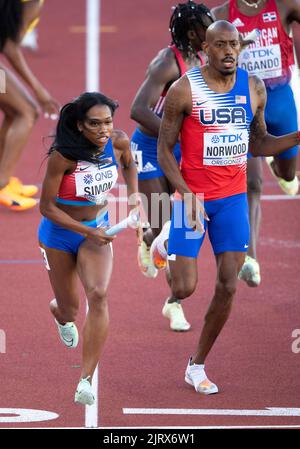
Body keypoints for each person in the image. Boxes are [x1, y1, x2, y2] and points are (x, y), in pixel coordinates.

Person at [155, 20, 300, 394]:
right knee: (184, 288)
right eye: (220, 45)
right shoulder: (184, 90)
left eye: (234, 45)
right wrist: (185, 194)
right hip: (192, 199)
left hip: (232, 201)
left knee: (228, 285)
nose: (229, 52)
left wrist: (298, 136)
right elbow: (164, 152)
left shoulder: (253, 88)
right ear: (206, 48)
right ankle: (165, 243)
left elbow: (259, 144)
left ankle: (197, 365)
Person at [38, 92, 139, 406]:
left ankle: (85, 379)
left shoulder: (118, 142)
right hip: (59, 234)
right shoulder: (64, 156)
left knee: (98, 294)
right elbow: (47, 208)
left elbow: (130, 166)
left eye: (108, 122)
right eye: (95, 124)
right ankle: (59, 313)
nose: (103, 130)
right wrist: (86, 230)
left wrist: (134, 197)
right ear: (80, 125)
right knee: (69, 308)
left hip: (97, 231)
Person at [130, 1, 214, 332]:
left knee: (175, 231)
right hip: (150, 147)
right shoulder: (167, 63)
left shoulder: (208, 55)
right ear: (191, 33)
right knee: (162, 224)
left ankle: (173, 303)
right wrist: (173, 132)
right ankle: (147, 236)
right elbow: (138, 109)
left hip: (181, 148)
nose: (212, 31)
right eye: (205, 28)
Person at [211, 0, 300, 287]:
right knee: (252, 183)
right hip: (243, 101)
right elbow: (204, 56)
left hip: (280, 98)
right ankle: (250, 256)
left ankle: (277, 162)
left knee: (289, 174)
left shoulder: (286, 5)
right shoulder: (222, 16)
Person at [0, 0, 59, 211]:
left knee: (16, 110)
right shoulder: (32, 2)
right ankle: (3, 184)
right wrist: (38, 89)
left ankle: (2, 176)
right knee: (27, 111)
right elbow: (9, 46)